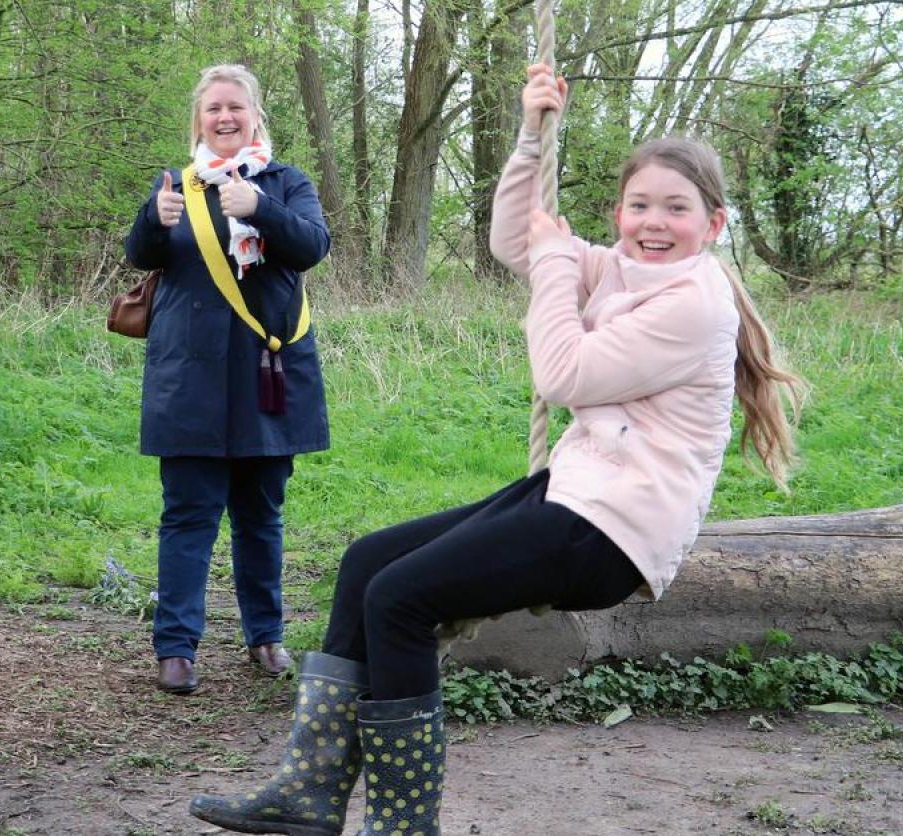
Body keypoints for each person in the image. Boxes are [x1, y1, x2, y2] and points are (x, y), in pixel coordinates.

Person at [188, 65, 804, 835]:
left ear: (713, 225)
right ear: (619, 211)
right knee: (368, 562)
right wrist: (529, 135)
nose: (654, 221)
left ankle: (405, 825)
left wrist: (553, 266)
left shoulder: (693, 303)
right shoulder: (626, 269)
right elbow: (517, 239)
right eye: (640, 204)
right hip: (576, 493)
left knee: (400, 599)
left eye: (676, 209)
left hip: (614, 531)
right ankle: (309, 793)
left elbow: (562, 372)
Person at [124, 64, 332, 695]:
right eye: (213, 109)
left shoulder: (286, 183)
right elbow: (141, 257)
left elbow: (313, 246)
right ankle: (176, 649)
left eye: (235, 108)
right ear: (200, 119)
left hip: (267, 377)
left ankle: (266, 638)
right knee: (188, 515)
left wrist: (260, 208)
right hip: (188, 379)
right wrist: (150, 221)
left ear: (255, 115)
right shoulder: (175, 186)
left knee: (260, 516)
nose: (224, 118)